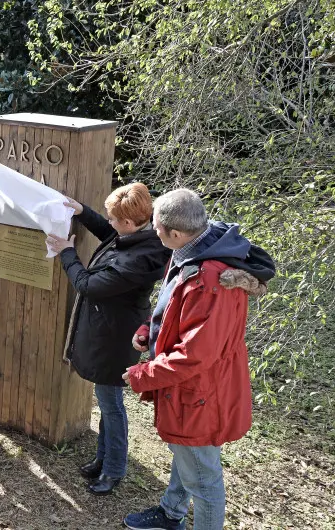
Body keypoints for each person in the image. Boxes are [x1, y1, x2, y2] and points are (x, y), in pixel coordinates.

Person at [121, 189, 275, 530]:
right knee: (186, 452)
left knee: (204, 480)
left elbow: (195, 354)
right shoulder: (193, 248)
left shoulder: (211, 281)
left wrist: (142, 374)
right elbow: (175, 310)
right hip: (191, 391)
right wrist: (151, 331)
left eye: (156, 227)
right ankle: (171, 511)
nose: (153, 231)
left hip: (200, 392)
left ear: (175, 233)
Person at [46, 182, 171, 496]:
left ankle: (114, 469)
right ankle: (103, 458)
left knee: (112, 406)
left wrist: (67, 252)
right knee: (106, 402)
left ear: (129, 223)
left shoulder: (136, 262)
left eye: (114, 219)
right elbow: (110, 234)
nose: (110, 223)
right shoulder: (142, 236)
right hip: (112, 329)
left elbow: (86, 283)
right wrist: (82, 211)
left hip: (115, 339)